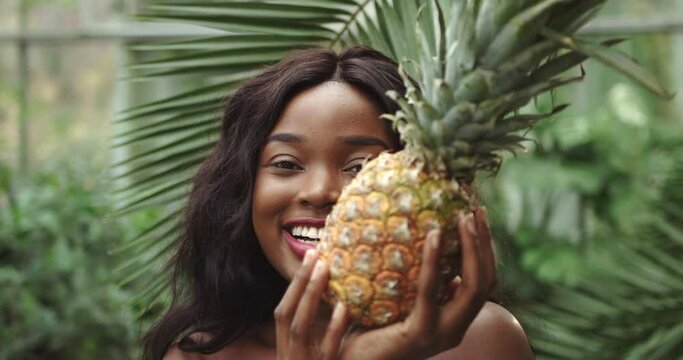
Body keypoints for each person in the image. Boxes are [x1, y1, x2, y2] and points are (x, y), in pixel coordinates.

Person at [144, 46, 534, 359]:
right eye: (285, 163)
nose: (318, 191)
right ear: (244, 188)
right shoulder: (197, 354)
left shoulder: (480, 341)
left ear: (421, 193)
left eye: (359, 167)